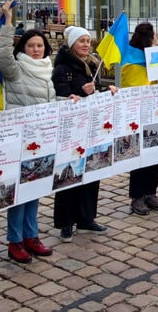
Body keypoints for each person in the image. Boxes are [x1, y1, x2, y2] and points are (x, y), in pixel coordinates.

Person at [0, 2, 56, 262]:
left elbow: (49, 105)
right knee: (18, 194)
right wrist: (8, 24)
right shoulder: (16, 70)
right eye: (31, 46)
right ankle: (15, 241)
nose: (36, 50)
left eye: (39, 45)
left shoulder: (47, 70)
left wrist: (69, 102)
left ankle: (32, 236)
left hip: (41, 140)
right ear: (23, 48)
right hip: (20, 140)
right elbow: (2, 57)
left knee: (35, 191)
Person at [52, 25, 116, 240]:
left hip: (92, 127)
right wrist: (79, 92)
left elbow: (94, 94)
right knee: (70, 174)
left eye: (88, 41)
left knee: (91, 171)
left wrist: (108, 91)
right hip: (72, 130)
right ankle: (66, 222)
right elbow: (61, 96)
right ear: (72, 44)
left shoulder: (92, 64)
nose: (86, 45)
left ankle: (86, 218)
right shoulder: (62, 69)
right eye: (82, 41)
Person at [123, 22, 158, 216]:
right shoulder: (132, 61)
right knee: (140, 155)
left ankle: (151, 191)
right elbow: (132, 89)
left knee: (155, 153)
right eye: (155, 36)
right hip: (139, 115)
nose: (157, 40)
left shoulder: (156, 57)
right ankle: (137, 196)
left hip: (156, 113)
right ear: (148, 38)